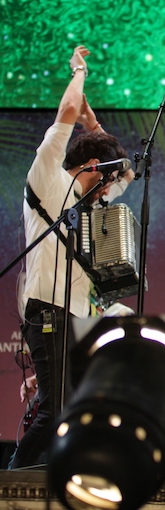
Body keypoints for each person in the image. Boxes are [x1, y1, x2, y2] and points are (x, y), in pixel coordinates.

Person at [10, 45, 133, 469]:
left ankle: (57, 477)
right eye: (105, 178)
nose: (110, 189)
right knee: (56, 408)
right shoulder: (48, 177)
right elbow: (64, 112)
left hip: (80, 317)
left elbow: (126, 172)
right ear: (93, 167)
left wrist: (94, 123)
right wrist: (79, 73)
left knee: (75, 409)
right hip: (47, 308)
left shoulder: (90, 202)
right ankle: (11, 482)